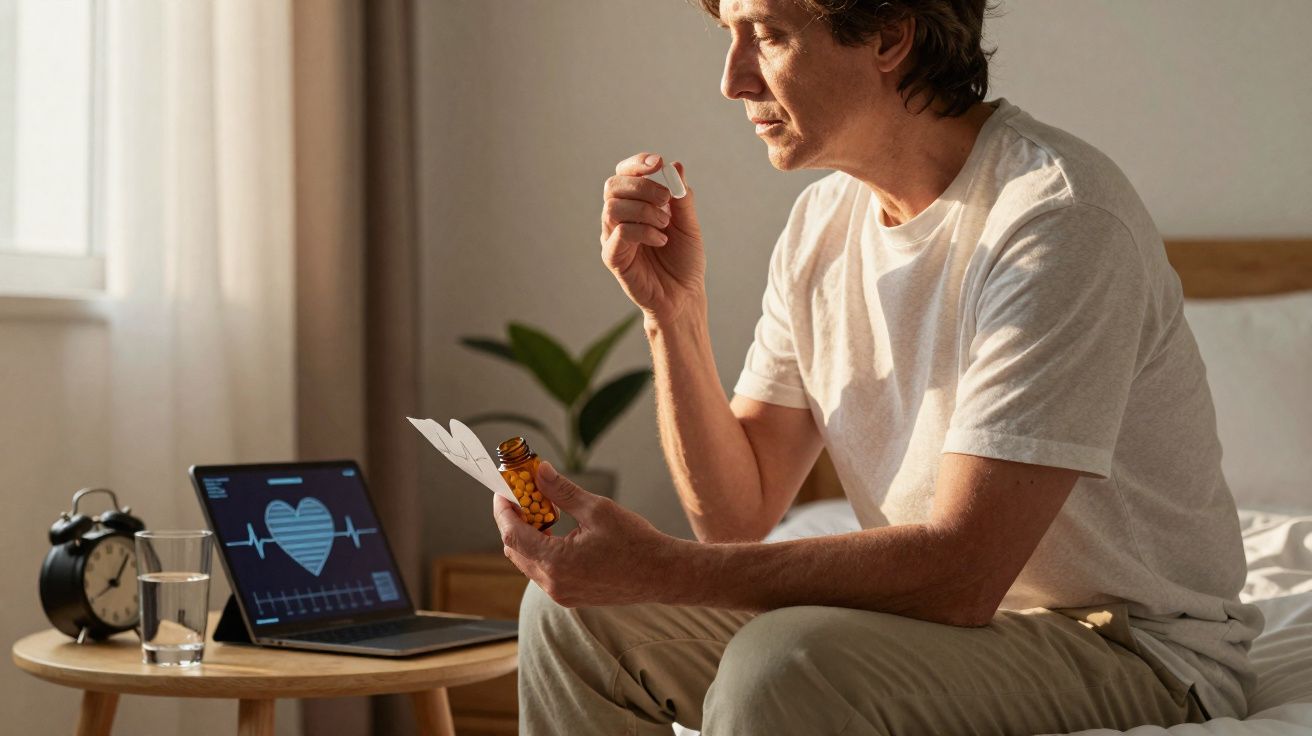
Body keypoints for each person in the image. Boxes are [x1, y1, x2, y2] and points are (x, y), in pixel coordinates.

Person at [491, 1, 1263, 733]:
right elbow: (734, 518)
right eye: (730, 33)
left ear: (890, 36)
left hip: (1127, 646)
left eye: (769, 34)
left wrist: (660, 568)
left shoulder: (1056, 218)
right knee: (572, 617)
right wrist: (673, 313)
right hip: (920, 627)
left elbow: (963, 571)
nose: (733, 79)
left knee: (783, 667)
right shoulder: (821, 224)